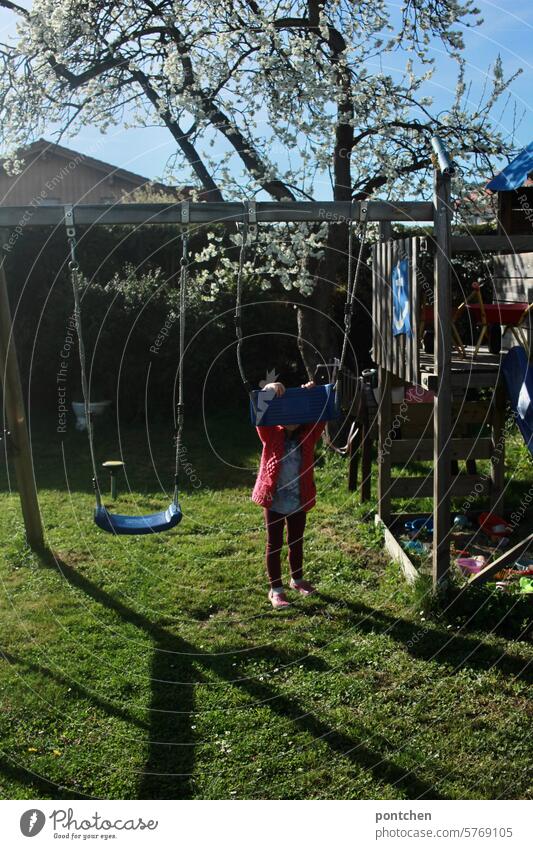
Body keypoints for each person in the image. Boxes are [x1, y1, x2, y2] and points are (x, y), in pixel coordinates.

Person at [252, 380, 325, 609]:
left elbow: (321, 416)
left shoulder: (309, 435)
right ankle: (276, 589)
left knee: (296, 541)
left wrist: (312, 395)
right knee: (273, 544)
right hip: (274, 500)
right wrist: (269, 390)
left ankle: (297, 580)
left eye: (296, 412)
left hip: (298, 499)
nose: (291, 418)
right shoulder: (271, 434)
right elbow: (259, 413)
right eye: (286, 412)